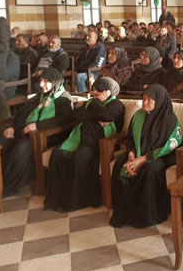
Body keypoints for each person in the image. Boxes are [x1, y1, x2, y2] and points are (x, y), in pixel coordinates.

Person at [0, 68, 74, 200]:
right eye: (41, 81)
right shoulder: (39, 97)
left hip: (44, 137)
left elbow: (65, 120)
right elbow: (20, 114)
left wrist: (37, 126)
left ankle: (6, 186)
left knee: (21, 149)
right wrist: (10, 127)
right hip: (20, 132)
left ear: (55, 82)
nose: (41, 84)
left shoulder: (64, 99)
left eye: (46, 81)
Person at [45, 77, 125, 212]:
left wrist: (96, 104)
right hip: (80, 139)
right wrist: (96, 116)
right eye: (94, 90)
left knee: (80, 157)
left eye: (98, 91)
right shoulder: (91, 103)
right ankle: (56, 199)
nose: (94, 93)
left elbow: (107, 116)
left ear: (108, 91)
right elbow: (77, 115)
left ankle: (76, 201)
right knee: (57, 153)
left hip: (100, 143)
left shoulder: (116, 105)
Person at [110, 85, 183, 228]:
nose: (144, 102)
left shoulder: (169, 120)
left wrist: (142, 160)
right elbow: (130, 139)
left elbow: (170, 145)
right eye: (143, 98)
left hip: (162, 156)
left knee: (151, 168)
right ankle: (126, 211)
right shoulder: (138, 116)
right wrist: (131, 156)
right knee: (119, 164)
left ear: (159, 100)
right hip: (138, 153)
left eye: (149, 99)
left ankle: (148, 215)